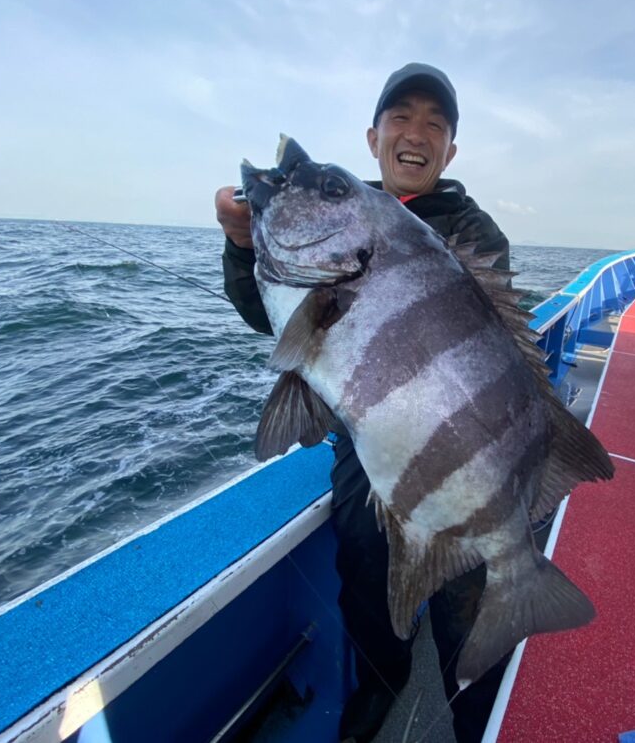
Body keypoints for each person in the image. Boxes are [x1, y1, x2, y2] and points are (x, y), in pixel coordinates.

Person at [216, 63, 511, 743]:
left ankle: (476, 715)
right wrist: (241, 245)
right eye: (401, 119)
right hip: (365, 431)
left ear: (450, 151)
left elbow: (492, 348)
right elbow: (278, 320)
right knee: (362, 555)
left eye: (435, 125)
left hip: (463, 434)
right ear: (374, 136)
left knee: (469, 587)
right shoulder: (345, 210)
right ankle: (382, 683)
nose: (417, 134)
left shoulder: (474, 229)